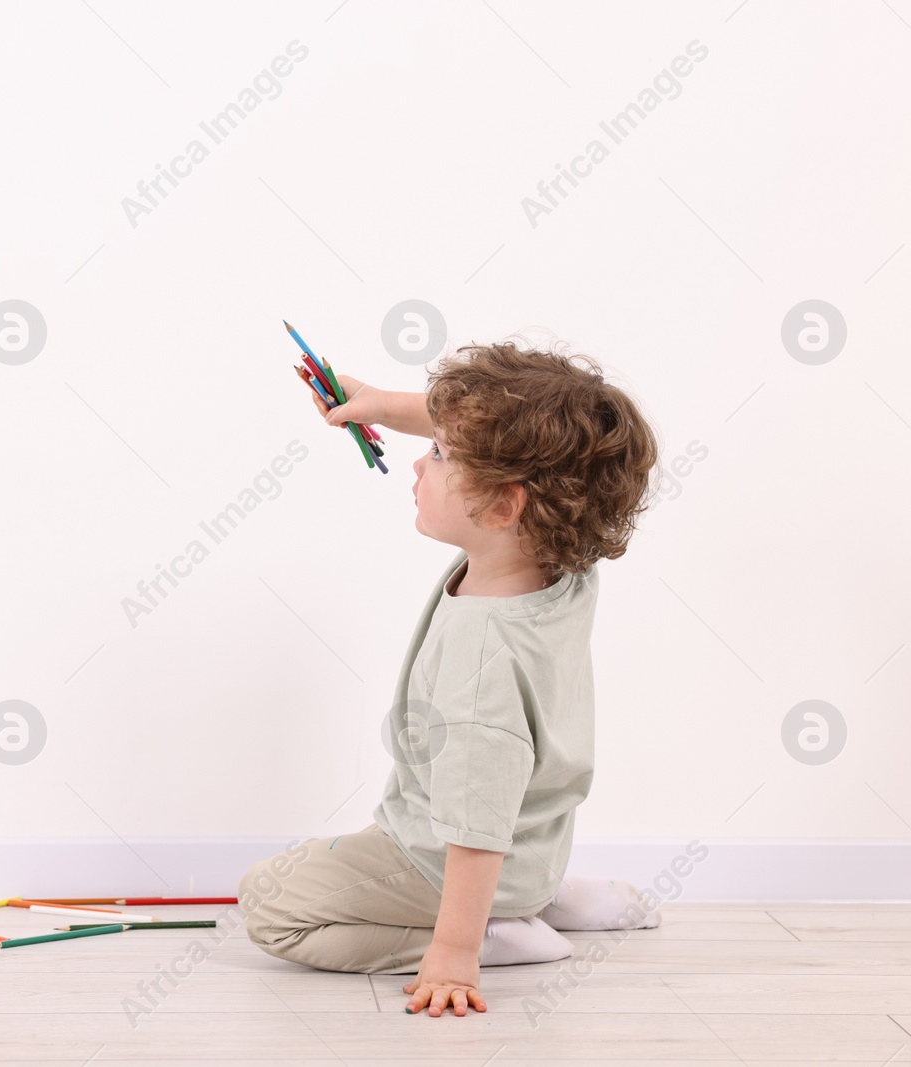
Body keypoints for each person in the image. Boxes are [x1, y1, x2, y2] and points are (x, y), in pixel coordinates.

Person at [241, 338, 664, 1018]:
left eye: (440, 454)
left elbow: (473, 825)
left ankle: (497, 932)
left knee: (268, 902)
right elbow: (493, 444)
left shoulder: (480, 667)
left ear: (504, 506)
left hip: (450, 859)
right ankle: (541, 894)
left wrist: (456, 951)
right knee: (487, 840)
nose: (420, 456)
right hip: (534, 843)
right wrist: (378, 404)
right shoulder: (561, 561)